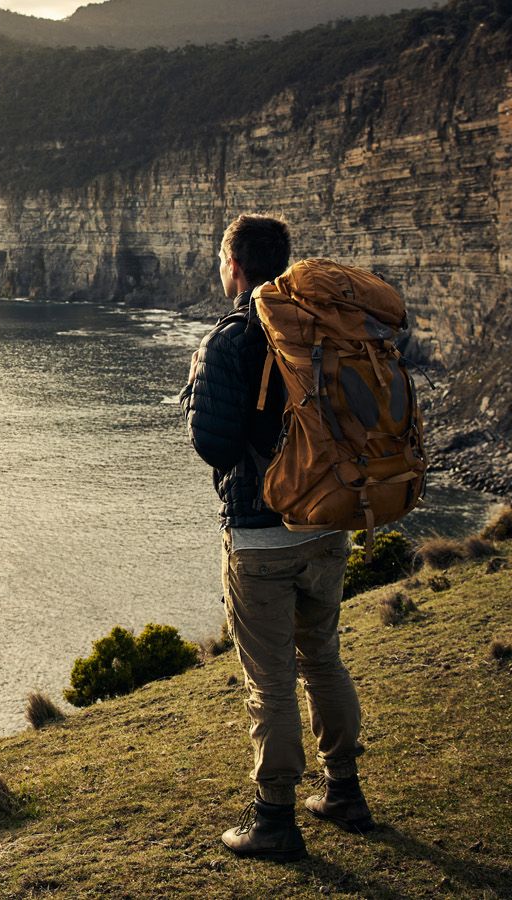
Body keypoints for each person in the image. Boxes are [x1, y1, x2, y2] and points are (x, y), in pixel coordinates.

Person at [179, 214, 374, 862]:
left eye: (220, 258)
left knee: (271, 684)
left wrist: (193, 400)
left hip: (262, 540)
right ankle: (344, 789)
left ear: (234, 265)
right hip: (328, 524)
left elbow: (214, 445)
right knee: (322, 657)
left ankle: (275, 818)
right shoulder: (318, 326)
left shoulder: (231, 338)